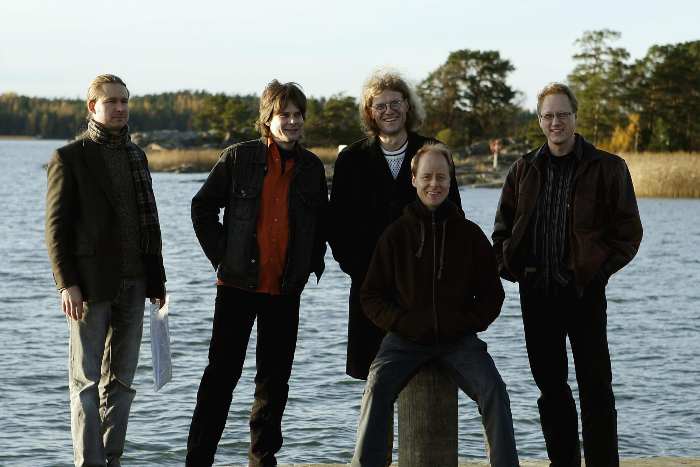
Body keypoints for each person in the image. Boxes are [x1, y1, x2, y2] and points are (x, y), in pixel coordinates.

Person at [492, 82, 643, 467]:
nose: (555, 121)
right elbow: (502, 232)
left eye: (562, 114)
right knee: (551, 390)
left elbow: (627, 233)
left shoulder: (608, 167)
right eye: (548, 115)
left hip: (584, 293)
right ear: (540, 120)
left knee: (596, 388)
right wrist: (516, 271)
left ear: (575, 116)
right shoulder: (523, 169)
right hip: (537, 296)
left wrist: (599, 272)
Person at [186, 80, 327, 467]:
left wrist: (310, 264)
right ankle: (198, 461)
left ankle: (262, 461)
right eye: (284, 115)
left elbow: (321, 224)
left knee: (274, 382)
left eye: (298, 115)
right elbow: (202, 208)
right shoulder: (238, 157)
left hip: (285, 290)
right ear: (268, 119)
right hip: (236, 286)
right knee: (221, 377)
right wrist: (223, 255)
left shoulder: (312, 167)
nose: (293, 121)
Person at [352, 142, 518, 466]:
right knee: (376, 386)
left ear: (450, 180)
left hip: (459, 341)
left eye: (441, 177)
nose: (434, 184)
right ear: (414, 179)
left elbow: (492, 295)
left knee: (494, 389)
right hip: (404, 340)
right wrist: (403, 323)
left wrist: (464, 323)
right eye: (427, 176)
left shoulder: (470, 235)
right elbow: (371, 296)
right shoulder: (395, 235)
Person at [45, 74, 167, 467]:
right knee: (85, 383)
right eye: (112, 101)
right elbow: (56, 230)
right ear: (92, 107)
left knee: (123, 383)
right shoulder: (69, 157)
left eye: (125, 101)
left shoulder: (137, 156)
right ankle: (90, 462)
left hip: (136, 283)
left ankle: (111, 460)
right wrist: (67, 284)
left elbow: (149, 225)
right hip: (89, 287)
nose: (120, 108)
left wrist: (157, 280)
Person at [328, 67, 463, 381]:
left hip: (425, 290)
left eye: (395, 103)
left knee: (425, 383)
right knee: (376, 381)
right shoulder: (350, 159)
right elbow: (336, 225)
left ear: (408, 106)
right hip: (369, 287)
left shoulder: (434, 151)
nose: (389, 111)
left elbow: (454, 217)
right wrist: (358, 268)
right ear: (370, 112)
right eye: (380, 105)